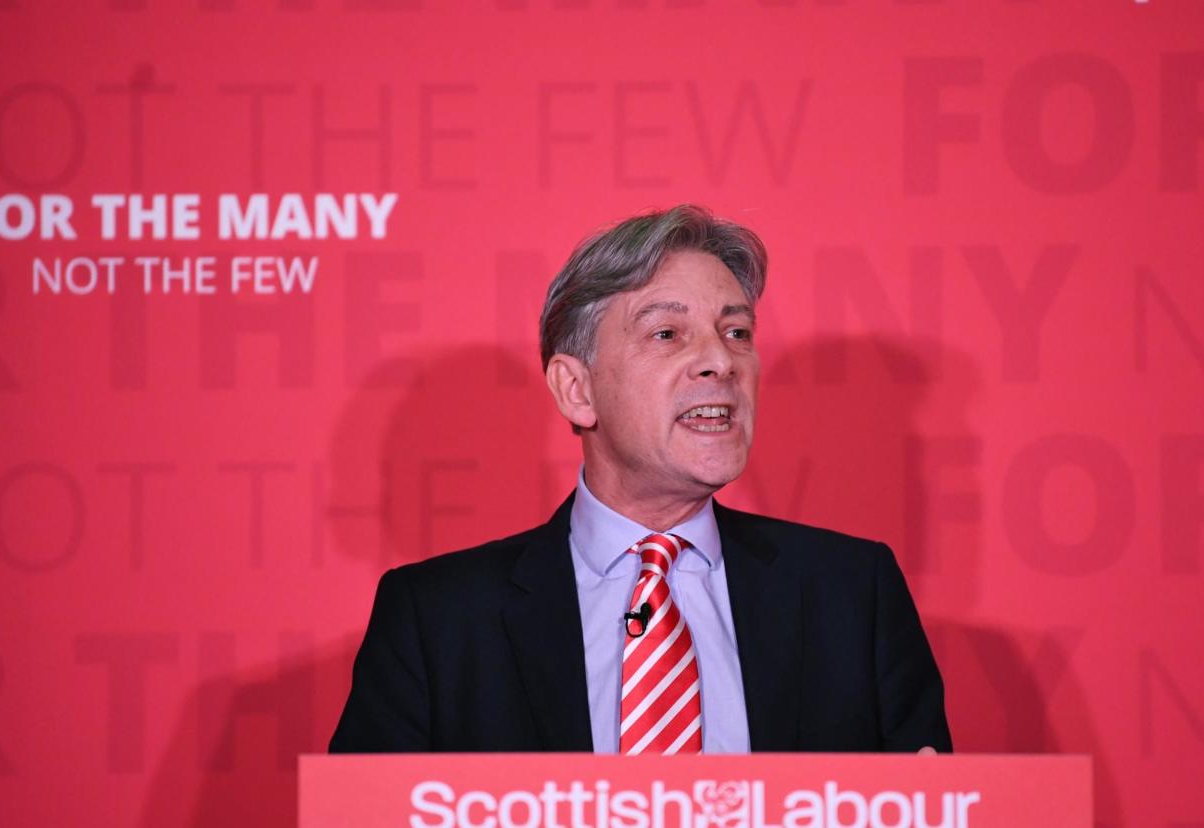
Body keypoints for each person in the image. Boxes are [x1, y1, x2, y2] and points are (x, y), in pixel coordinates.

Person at [329, 205, 951, 754]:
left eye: (737, 333)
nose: (720, 361)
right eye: (667, 334)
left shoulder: (853, 596)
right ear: (577, 390)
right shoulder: (437, 619)